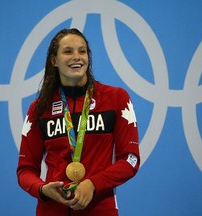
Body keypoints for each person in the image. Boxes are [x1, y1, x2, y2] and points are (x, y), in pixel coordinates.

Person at [17, 28, 140, 216]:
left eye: (82, 51)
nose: (77, 57)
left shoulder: (116, 99)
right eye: (68, 51)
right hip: (51, 210)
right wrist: (42, 189)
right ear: (54, 61)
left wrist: (93, 184)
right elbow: (25, 170)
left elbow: (131, 160)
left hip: (99, 209)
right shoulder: (39, 108)